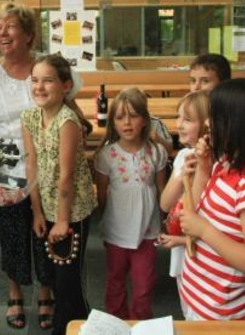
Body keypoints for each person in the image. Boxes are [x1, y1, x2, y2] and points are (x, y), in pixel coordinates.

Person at [0, 3, 58, 330]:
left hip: (45, 162)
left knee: (45, 229)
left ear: (29, 35)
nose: (1, 34)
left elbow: (69, 106)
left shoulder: (47, 66)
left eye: (10, 27)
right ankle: (14, 292)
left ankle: (46, 291)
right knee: (11, 232)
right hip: (3, 162)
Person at [178, 79, 245, 320]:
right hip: (201, 299)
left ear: (240, 126)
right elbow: (194, 209)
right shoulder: (225, 164)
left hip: (225, 315)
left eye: (215, 117)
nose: (207, 123)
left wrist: (204, 230)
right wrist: (203, 168)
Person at [22, 54, 97, 335]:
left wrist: (63, 221)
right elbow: (31, 164)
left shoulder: (68, 122)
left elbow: (66, 175)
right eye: (35, 80)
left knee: (68, 281)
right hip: (46, 207)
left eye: (48, 81)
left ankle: (73, 327)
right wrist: (37, 212)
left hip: (71, 211)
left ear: (65, 86)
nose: (39, 87)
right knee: (53, 276)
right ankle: (76, 325)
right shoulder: (29, 117)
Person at [94, 88, 168, 320]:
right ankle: (117, 322)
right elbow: (102, 193)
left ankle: (140, 322)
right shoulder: (106, 155)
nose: (127, 123)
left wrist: (164, 220)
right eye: (120, 117)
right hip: (117, 231)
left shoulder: (156, 152)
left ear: (145, 120)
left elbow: (162, 190)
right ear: (113, 123)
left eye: (133, 116)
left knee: (144, 283)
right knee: (115, 280)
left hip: (147, 230)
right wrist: (107, 221)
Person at [156, 90, 210, 287]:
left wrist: (180, 241)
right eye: (178, 117)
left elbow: (207, 218)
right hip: (183, 243)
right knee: (186, 295)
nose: (179, 124)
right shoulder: (182, 156)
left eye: (187, 120)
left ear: (207, 123)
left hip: (206, 253)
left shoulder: (214, 163)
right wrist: (181, 175)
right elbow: (165, 204)